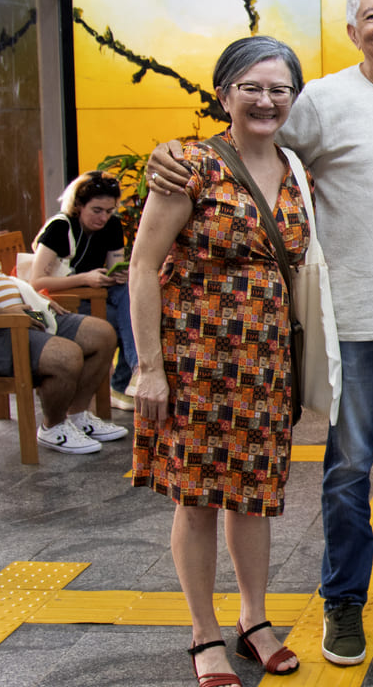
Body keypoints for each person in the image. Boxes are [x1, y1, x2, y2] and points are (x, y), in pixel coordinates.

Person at [147, 0, 373, 660]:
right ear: (353, 31)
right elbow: (252, 149)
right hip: (352, 321)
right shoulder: (322, 100)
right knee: (348, 470)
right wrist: (173, 156)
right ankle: (343, 600)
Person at [129, 36, 306, 686]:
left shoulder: (297, 170)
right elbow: (142, 267)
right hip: (195, 363)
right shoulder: (191, 167)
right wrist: (149, 367)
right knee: (198, 499)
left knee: (255, 498)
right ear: (223, 93)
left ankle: (253, 620)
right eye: (250, 87)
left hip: (266, 365)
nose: (265, 100)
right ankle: (204, 633)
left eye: (279, 89)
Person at [28, 170, 139, 419]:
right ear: (79, 205)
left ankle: (131, 375)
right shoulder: (60, 227)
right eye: (97, 210)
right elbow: (36, 283)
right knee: (123, 318)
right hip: (59, 301)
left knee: (133, 300)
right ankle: (127, 378)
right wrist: (85, 279)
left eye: (109, 211)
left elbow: (114, 266)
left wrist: (119, 274)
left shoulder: (112, 226)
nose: (103, 217)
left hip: (95, 294)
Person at [0, 248, 116, 455]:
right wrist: (2, 312)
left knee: (102, 335)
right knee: (65, 355)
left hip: (27, 312)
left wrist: (36, 299)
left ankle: (77, 416)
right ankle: (53, 427)